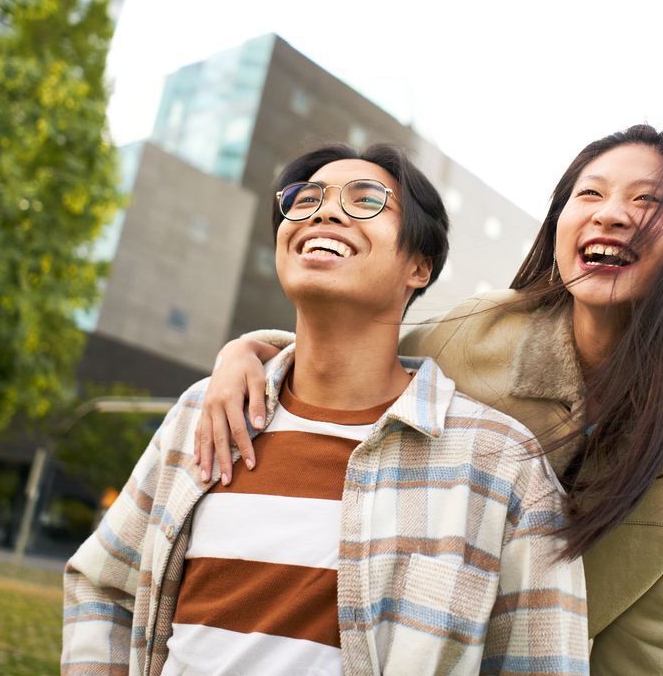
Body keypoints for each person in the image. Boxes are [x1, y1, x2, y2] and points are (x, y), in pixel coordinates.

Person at [198, 125, 663, 674]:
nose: (610, 213)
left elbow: (661, 629)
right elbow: (357, 360)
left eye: (647, 201)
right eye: (588, 194)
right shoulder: (477, 333)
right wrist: (252, 353)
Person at [62, 144, 589, 676]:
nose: (323, 210)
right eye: (304, 199)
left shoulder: (502, 465)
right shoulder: (206, 412)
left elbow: (543, 661)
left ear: (418, 264)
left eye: (366, 201)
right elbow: (104, 585)